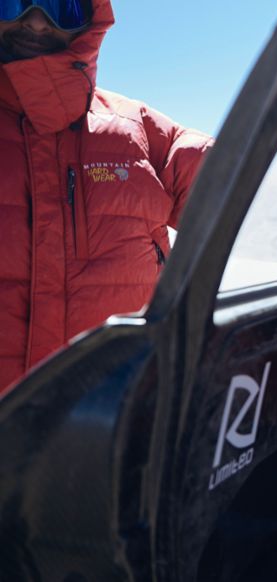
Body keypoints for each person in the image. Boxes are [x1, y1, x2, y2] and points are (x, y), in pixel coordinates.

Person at [0, 0, 212, 393]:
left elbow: (243, 188)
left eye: (61, 6)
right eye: (12, 1)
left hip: (117, 435)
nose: (35, 22)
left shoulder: (137, 131)